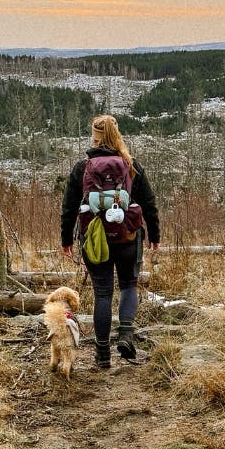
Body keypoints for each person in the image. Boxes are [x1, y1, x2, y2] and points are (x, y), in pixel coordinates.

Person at [60, 114, 161, 369]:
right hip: (128, 234)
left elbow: (69, 207)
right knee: (128, 285)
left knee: (102, 292)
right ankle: (126, 334)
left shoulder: (82, 168)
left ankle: (102, 354)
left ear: (94, 137)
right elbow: (148, 203)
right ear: (117, 135)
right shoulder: (131, 164)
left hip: (95, 238)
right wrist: (155, 235)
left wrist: (66, 239)